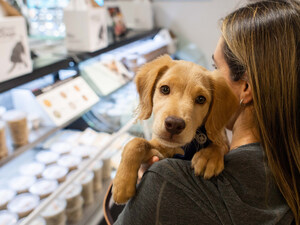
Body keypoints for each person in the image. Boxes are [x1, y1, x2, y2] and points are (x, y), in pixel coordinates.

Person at [114, 0, 299, 224]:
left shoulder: (165, 182)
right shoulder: (289, 166)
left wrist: (151, 185)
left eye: (216, 67)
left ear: (246, 87)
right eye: (165, 90)